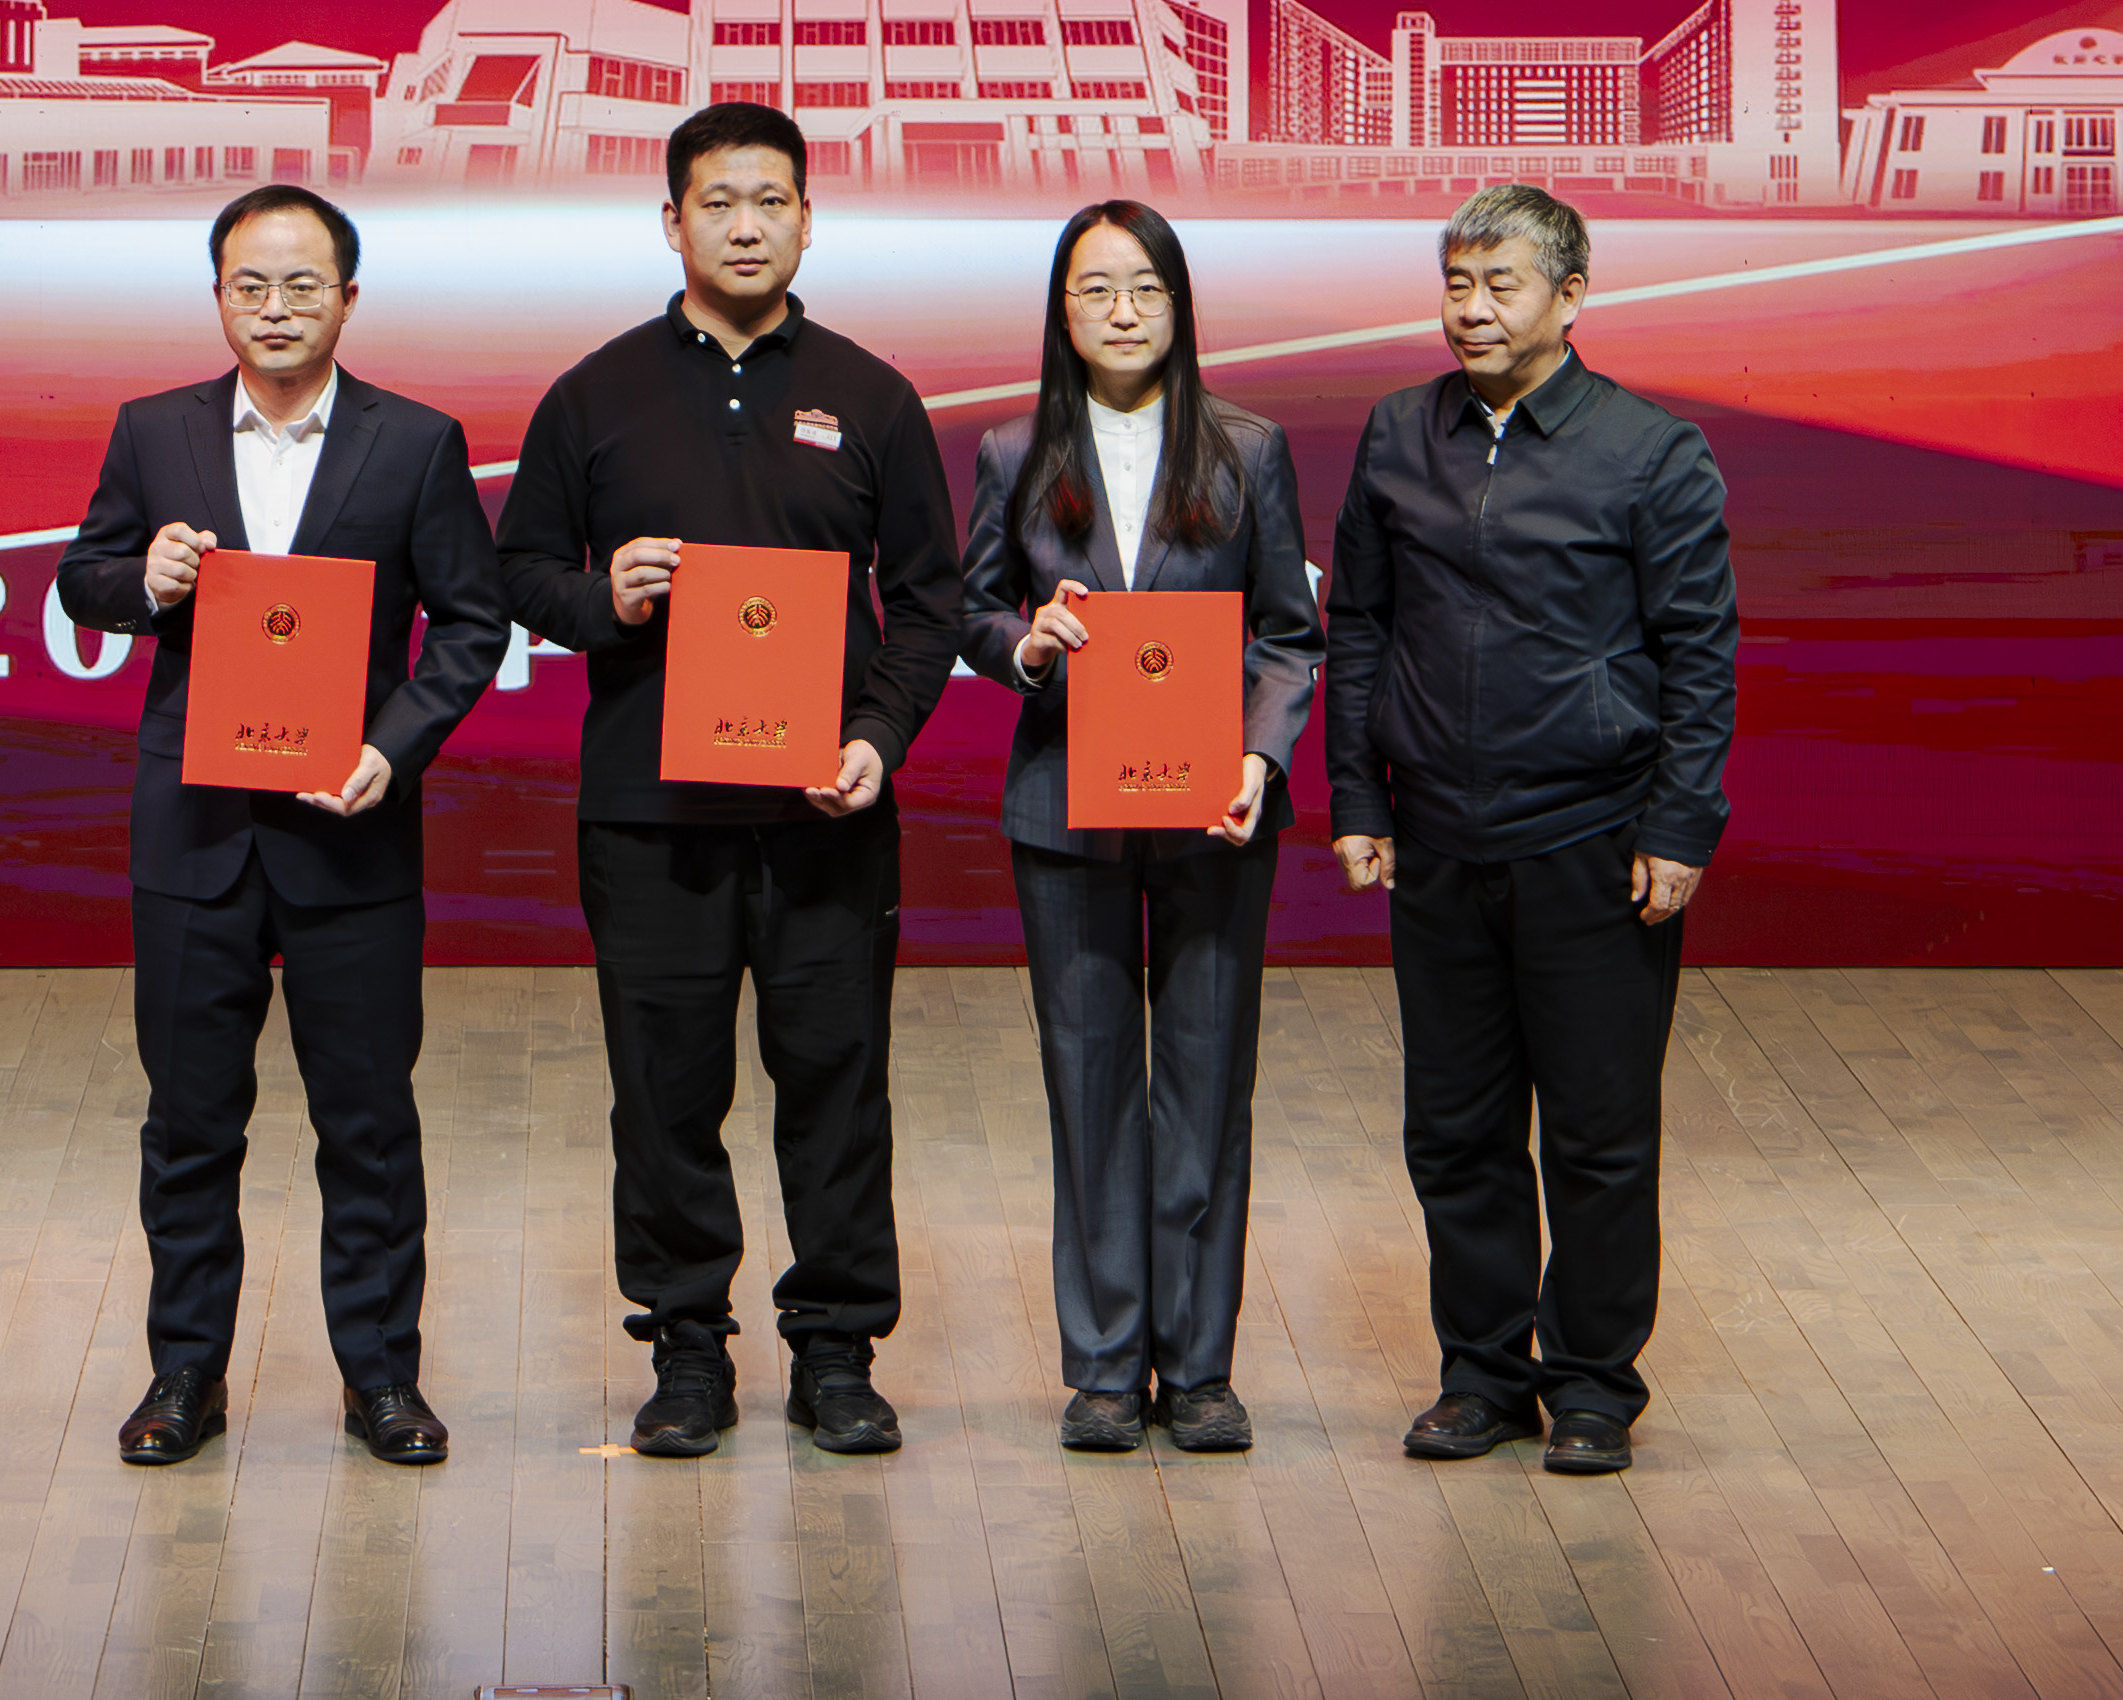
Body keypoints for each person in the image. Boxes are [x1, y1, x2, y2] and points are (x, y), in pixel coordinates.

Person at [497, 100, 964, 1458]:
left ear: (808, 220)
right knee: (663, 1092)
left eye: (770, 201)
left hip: (825, 813)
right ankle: (686, 1348)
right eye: (717, 202)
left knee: (838, 1085)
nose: (745, 226)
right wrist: (604, 598)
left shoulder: (873, 396)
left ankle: (837, 1352)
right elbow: (518, 569)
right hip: (650, 818)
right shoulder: (595, 394)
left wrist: (878, 736)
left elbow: (927, 603)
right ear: (671, 222)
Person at [51, 183, 509, 1470]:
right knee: (190, 1122)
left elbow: (471, 624)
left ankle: (381, 1378)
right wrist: (141, 583)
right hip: (194, 835)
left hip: (348, 831)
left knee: (367, 1123)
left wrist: (390, 749)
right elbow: (83, 577)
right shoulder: (155, 430)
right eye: (250, 285)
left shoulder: (416, 442)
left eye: (303, 285)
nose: (275, 308)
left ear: (348, 299)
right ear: (217, 296)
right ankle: (184, 1373)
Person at [1326, 181, 1737, 1477]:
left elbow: (1699, 651)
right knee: (1454, 1130)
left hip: (1594, 841)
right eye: (1456, 284)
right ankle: (1482, 1377)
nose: (1472, 310)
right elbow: (1358, 625)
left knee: (1598, 1135)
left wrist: (1680, 824)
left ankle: (1596, 1383)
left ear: (1571, 295)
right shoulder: (1400, 433)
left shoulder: (1649, 452)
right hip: (1439, 840)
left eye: (1500, 285)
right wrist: (1356, 796)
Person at [959, 200, 1321, 1454]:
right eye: (1097, 289)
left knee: (1209, 1087)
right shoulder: (1013, 451)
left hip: (1212, 809)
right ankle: (1109, 1364)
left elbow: (1289, 634)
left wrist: (1260, 756)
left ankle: (1201, 1367)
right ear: (1061, 311)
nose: (1124, 312)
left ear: (1180, 306)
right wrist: (1029, 644)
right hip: (1066, 810)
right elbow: (970, 609)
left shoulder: (1247, 448)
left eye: (1147, 289)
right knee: (1090, 1084)